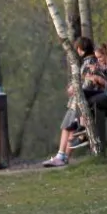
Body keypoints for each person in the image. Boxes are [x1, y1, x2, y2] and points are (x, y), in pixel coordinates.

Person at [43, 37, 102, 168]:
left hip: (78, 102)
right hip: (78, 102)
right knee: (69, 128)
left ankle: (62, 156)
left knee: (67, 128)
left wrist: (74, 88)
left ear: (81, 50)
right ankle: (63, 156)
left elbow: (88, 83)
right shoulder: (90, 61)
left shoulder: (89, 62)